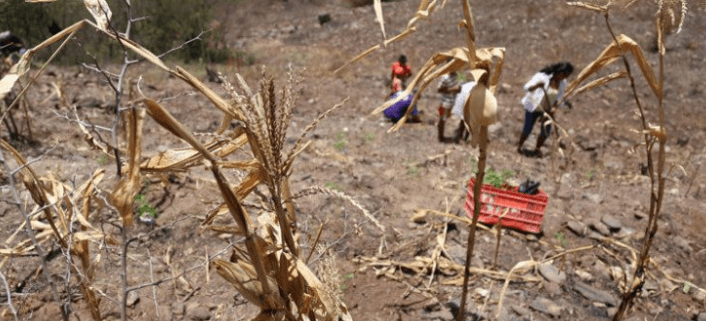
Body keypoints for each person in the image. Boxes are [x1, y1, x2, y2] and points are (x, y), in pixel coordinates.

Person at [517, 62, 574, 157]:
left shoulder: (562, 83)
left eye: (567, 76)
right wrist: (537, 86)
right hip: (533, 106)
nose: (564, 78)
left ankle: (537, 150)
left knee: (545, 132)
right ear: (560, 71)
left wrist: (555, 107)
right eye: (564, 75)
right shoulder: (542, 76)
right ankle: (519, 146)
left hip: (547, 109)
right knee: (527, 129)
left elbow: (559, 97)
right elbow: (527, 88)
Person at [437, 70, 461, 142]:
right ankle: (440, 137)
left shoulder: (460, 75)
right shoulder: (445, 77)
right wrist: (452, 89)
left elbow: (463, 86)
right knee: (442, 119)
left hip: (456, 102)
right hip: (445, 102)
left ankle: (457, 137)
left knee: (459, 119)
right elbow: (439, 89)